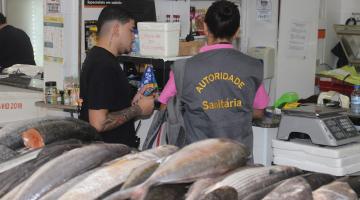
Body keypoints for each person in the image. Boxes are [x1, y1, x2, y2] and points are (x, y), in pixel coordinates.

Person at [158, 0, 269, 151]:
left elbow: (164, 106)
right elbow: (259, 110)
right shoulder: (253, 66)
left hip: (199, 159)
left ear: (204, 27)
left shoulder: (183, 68)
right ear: (237, 31)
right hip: (238, 159)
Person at [79, 5, 154, 148]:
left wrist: (132, 102)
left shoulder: (101, 59)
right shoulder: (102, 65)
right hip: (107, 157)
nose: (134, 37)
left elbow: (111, 107)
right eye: (131, 30)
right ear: (116, 29)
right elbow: (98, 123)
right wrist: (138, 109)